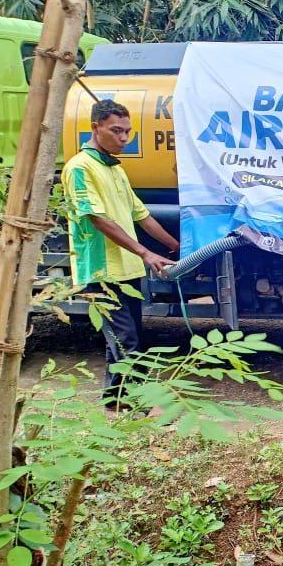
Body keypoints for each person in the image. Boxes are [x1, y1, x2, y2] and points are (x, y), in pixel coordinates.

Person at [61, 99, 180, 404]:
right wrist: (145, 253)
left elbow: (141, 215)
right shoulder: (80, 168)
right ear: (95, 127)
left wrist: (174, 245)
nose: (124, 139)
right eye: (117, 131)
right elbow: (97, 218)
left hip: (127, 269)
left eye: (128, 132)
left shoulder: (115, 169)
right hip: (101, 270)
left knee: (124, 339)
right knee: (125, 340)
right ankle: (139, 403)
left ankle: (114, 401)